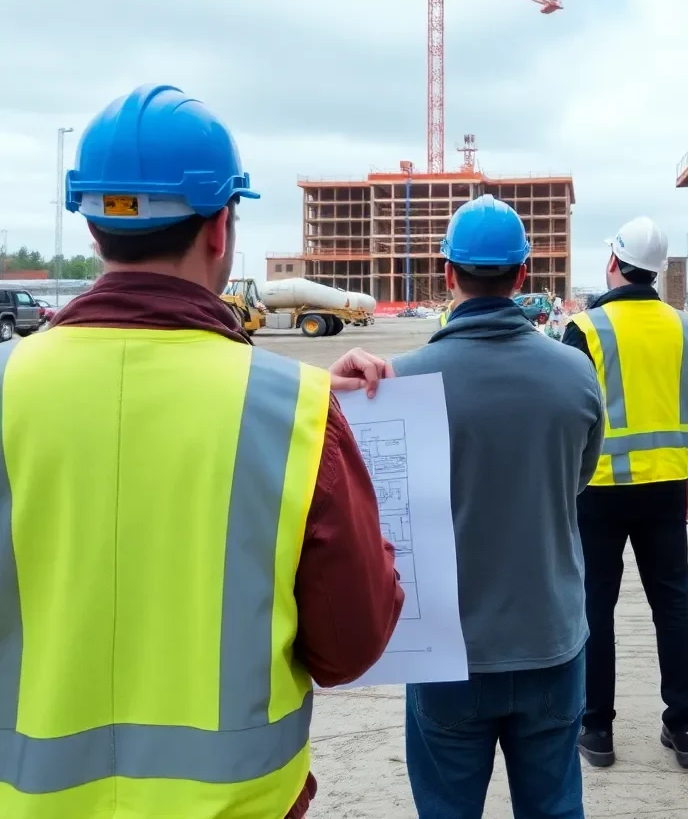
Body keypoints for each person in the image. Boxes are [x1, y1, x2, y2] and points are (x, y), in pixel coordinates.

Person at [0, 84, 404, 819]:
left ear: (93, 229)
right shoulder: (295, 418)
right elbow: (351, 647)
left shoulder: (6, 386)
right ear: (221, 228)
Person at [392, 195, 604, 819]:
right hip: (551, 640)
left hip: (447, 648)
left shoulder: (400, 380)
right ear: (521, 277)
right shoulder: (575, 375)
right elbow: (577, 480)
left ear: (447, 273)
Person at [562, 217, 688, 770]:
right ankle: (684, 729)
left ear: (613, 261)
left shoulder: (586, 328)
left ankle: (597, 730)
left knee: (595, 608)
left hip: (598, 490)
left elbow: (568, 409)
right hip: (663, 491)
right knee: (673, 605)